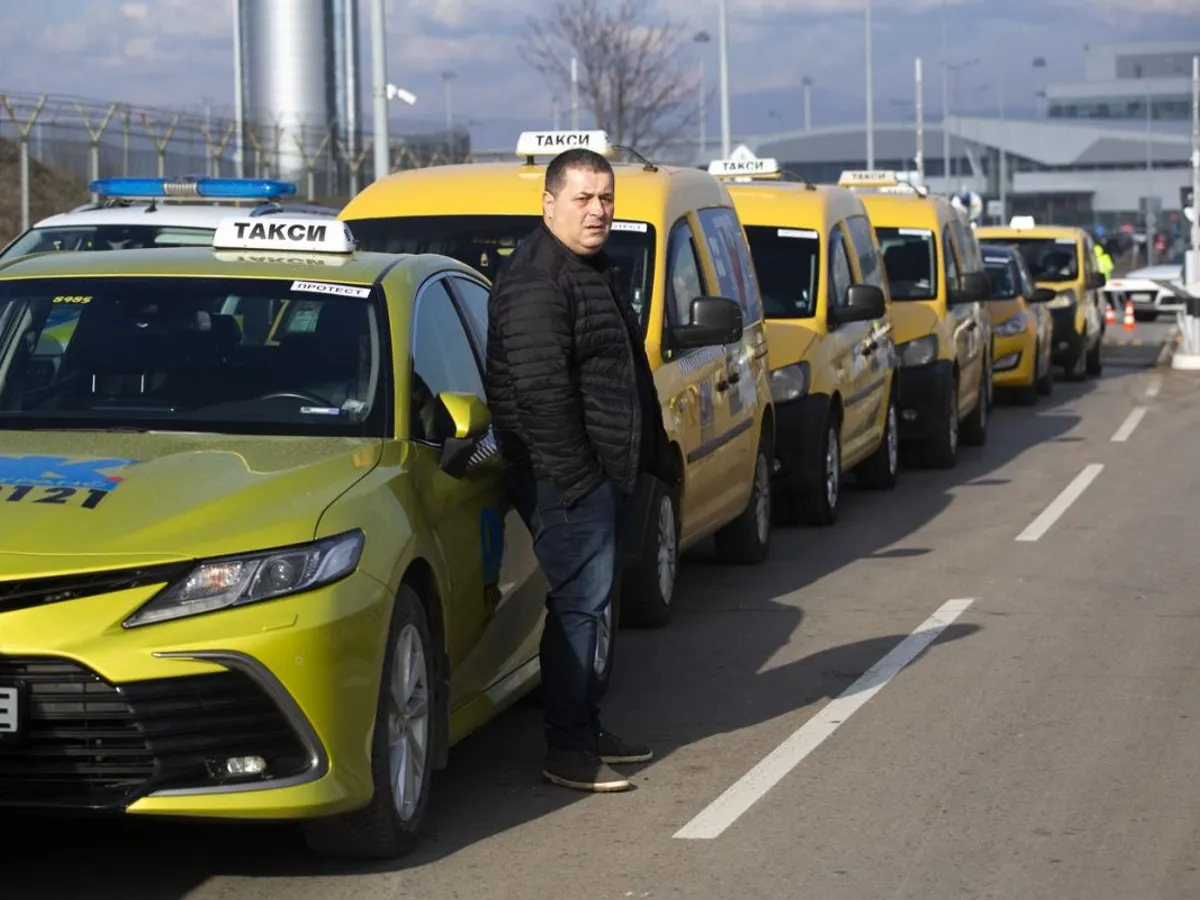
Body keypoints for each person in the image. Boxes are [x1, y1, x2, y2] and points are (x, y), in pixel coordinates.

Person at [485, 147, 681, 793]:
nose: (598, 211)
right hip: (565, 477)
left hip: (600, 471)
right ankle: (567, 748)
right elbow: (540, 394)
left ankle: (586, 728)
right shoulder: (537, 281)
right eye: (583, 198)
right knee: (577, 608)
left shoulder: (586, 267)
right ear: (549, 204)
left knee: (591, 608)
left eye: (606, 198)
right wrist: (580, 481)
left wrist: (649, 455)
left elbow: (618, 370)